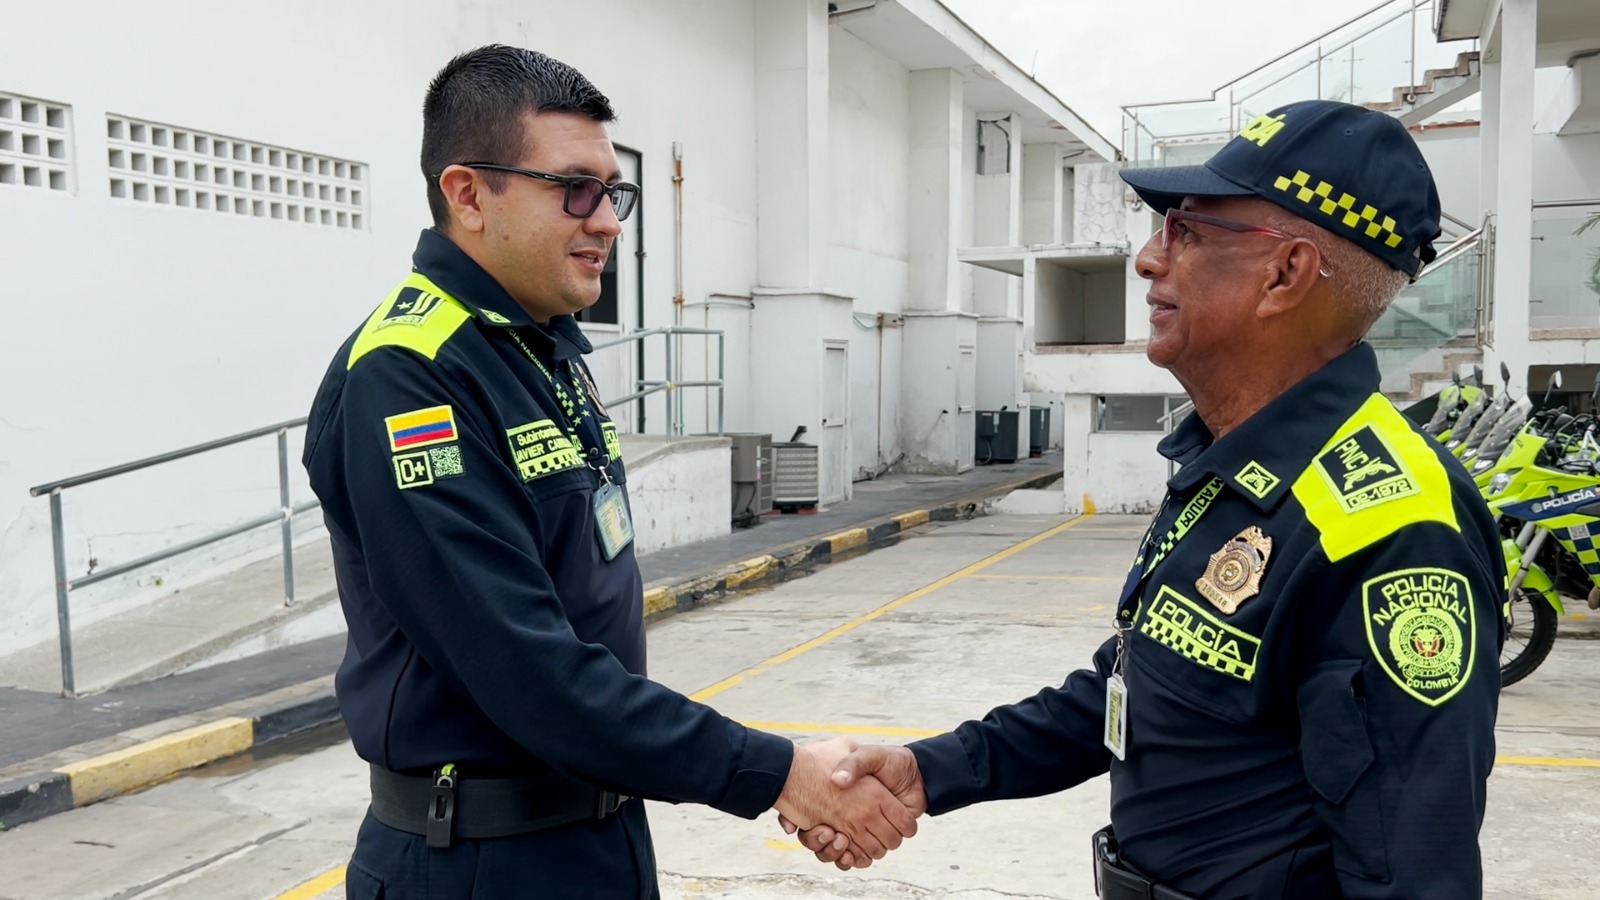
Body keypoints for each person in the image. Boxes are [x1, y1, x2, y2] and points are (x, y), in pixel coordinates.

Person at [790, 99, 1506, 899]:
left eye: (1188, 231)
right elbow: (1139, 687)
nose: (1147, 258)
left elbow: (1413, 870)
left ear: (1286, 274)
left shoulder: (1387, 525)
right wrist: (932, 770)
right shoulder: (1228, 464)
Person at [301, 44, 917, 899]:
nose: (607, 222)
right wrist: (778, 773)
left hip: (597, 833)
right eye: (575, 190)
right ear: (469, 194)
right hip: (478, 862)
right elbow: (525, 667)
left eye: (614, 192)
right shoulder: (412, 376)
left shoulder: (543, 352)